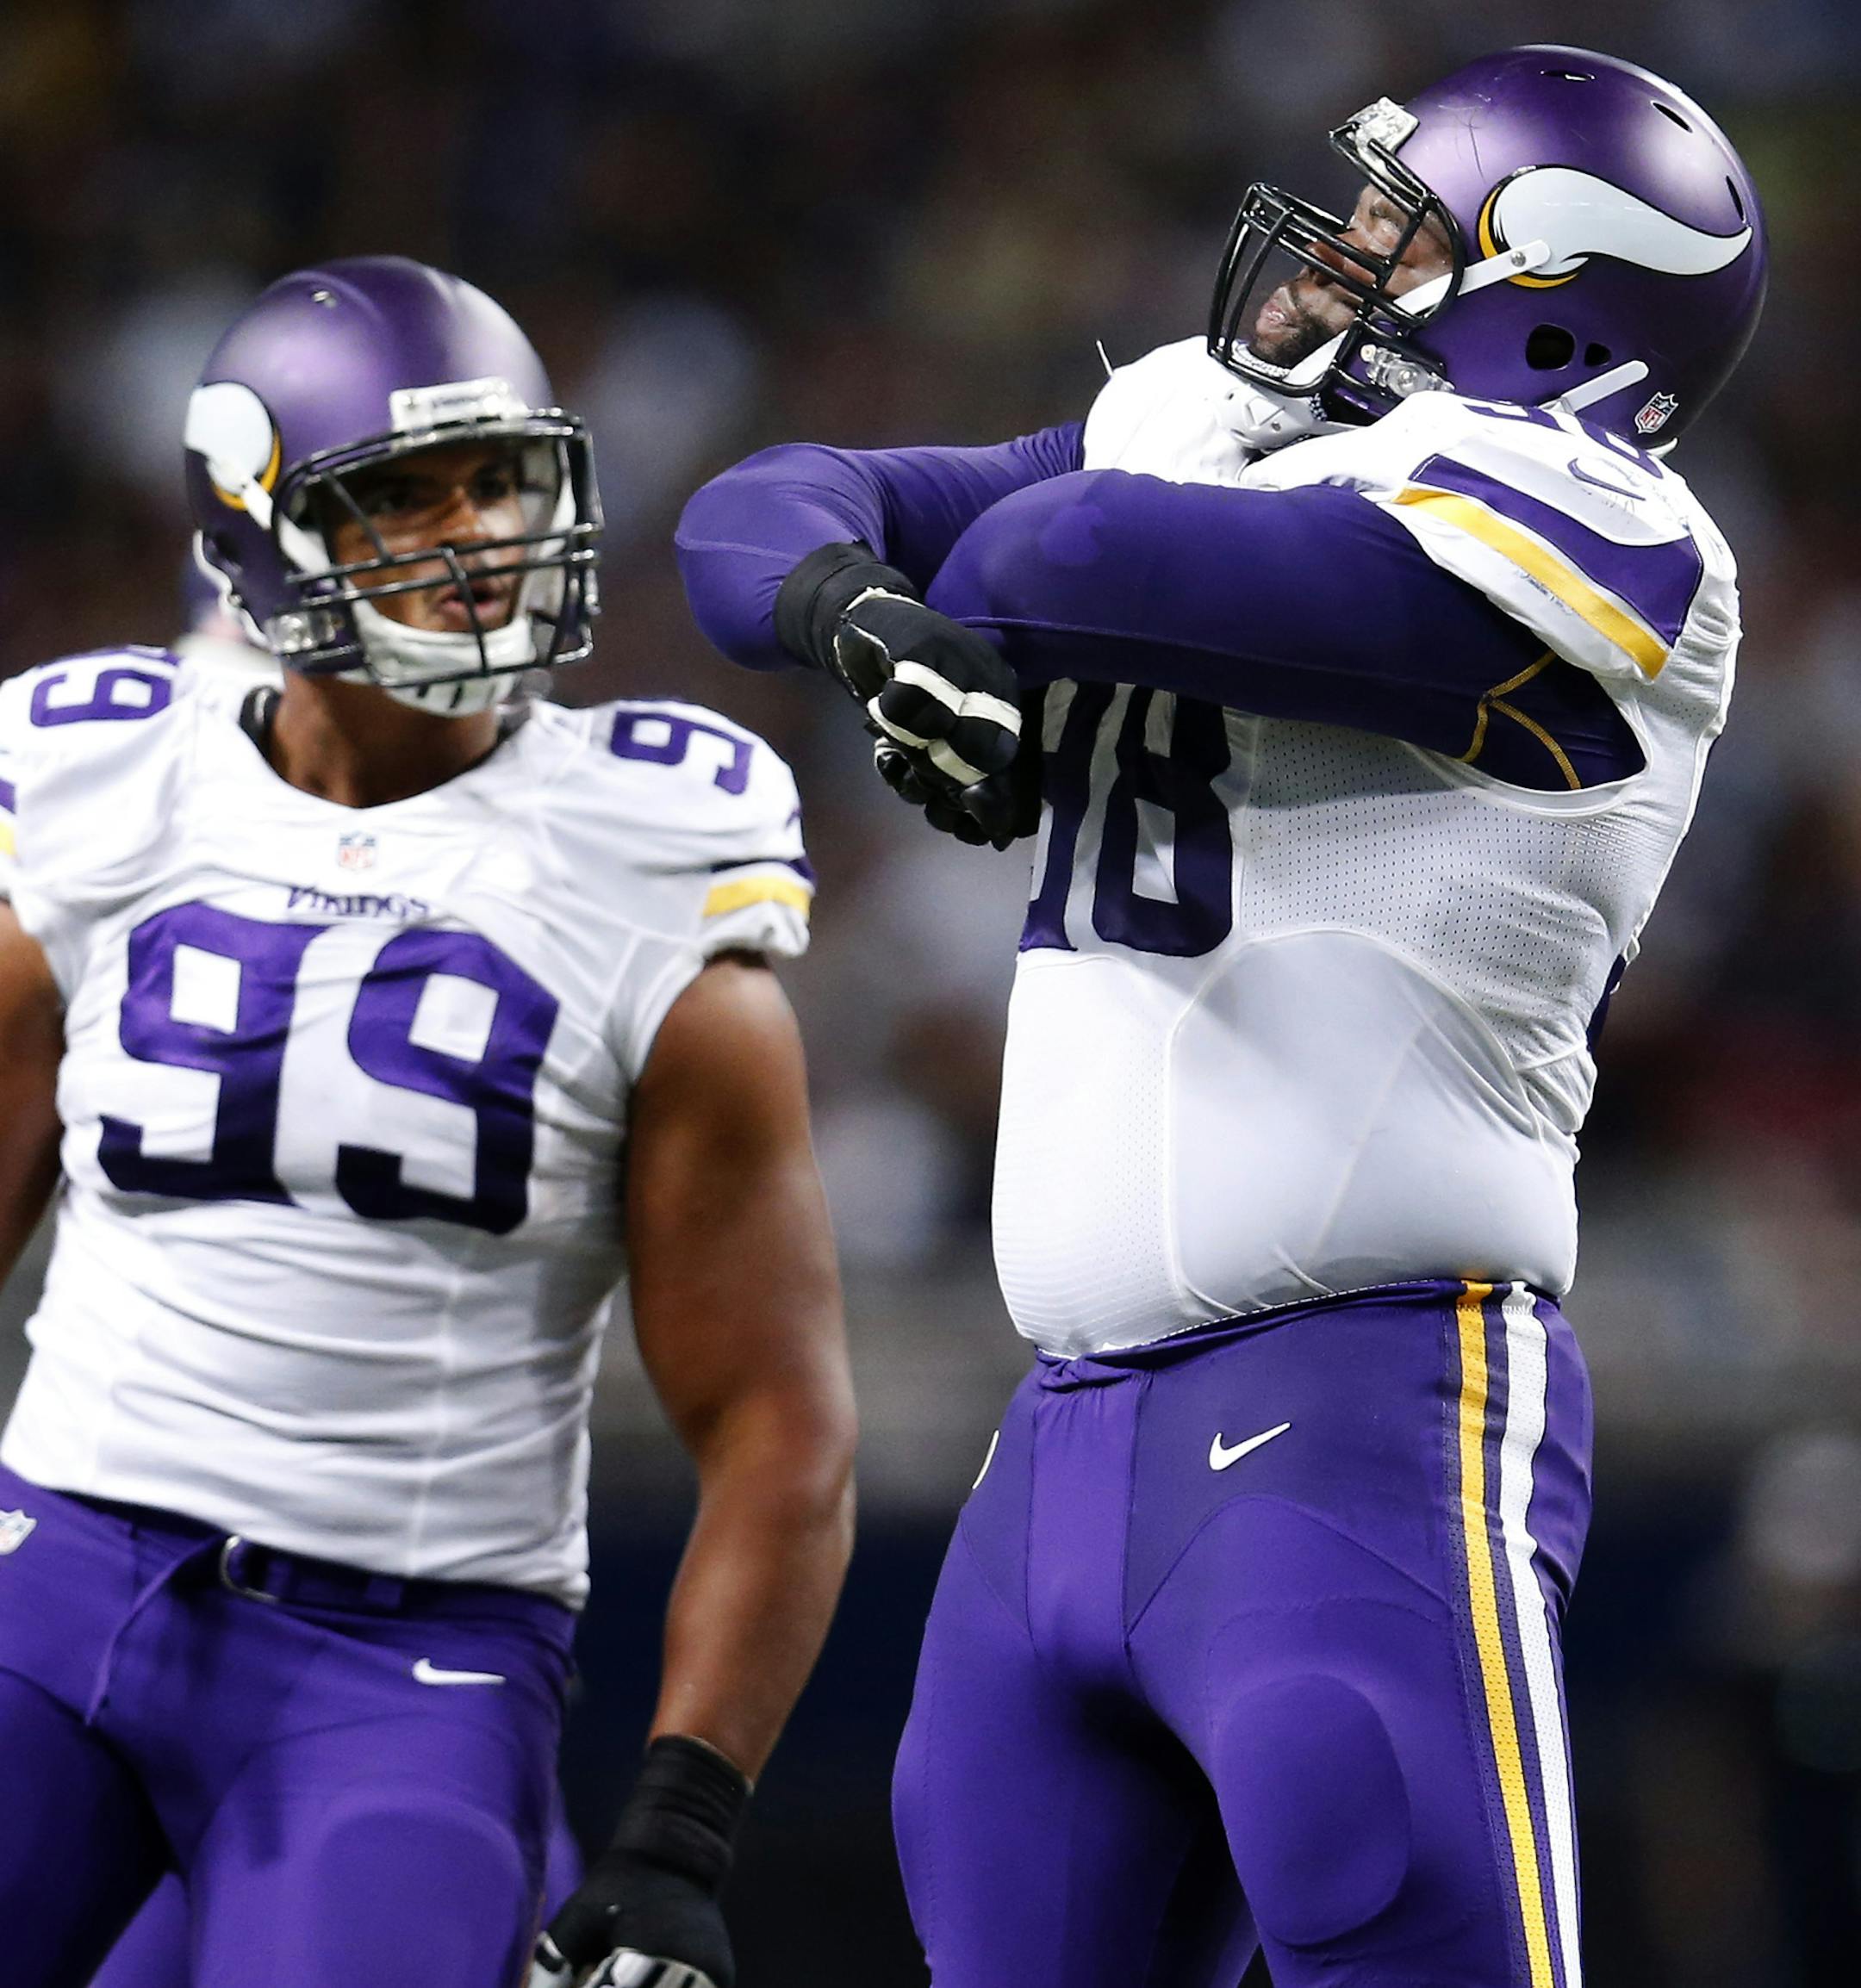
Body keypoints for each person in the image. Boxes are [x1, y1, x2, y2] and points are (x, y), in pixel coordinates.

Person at [676, 44, 1764, 1988]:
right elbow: (761, 511)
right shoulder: (1210, 423)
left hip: (1369, 1404)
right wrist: (862, 613)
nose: (1343, 248)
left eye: (1406, 229)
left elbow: (1065, 554)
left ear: (1549, 306)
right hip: (1063, 1432)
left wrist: (962, 612)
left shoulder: (1604, 519)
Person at [0, 255, 856, 1988]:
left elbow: (777, 1419)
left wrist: (682, 1824)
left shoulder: (644, 857)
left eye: (501, 478)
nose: (473, 534)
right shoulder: (105, 786)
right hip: (57, 1574)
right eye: (398, 493)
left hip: (407, 1659)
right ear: (255, 533)